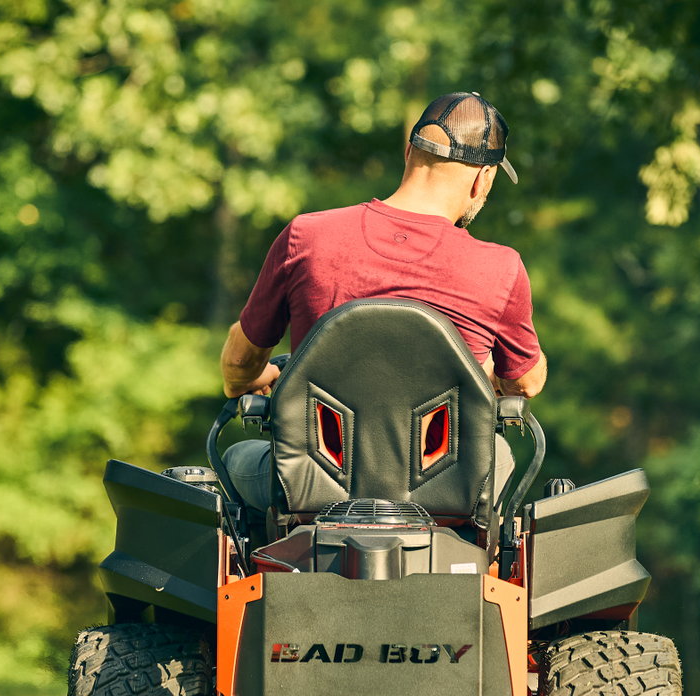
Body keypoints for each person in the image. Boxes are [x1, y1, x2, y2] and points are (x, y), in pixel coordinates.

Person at [218, 92, 546, 512]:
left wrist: (260, 375)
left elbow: (238, 365)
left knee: (235, 460)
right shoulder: (501, 268)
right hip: (443, 493)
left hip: (311, 488)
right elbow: (525, 383)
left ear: (408, 151)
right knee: (497, 455)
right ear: (483, 178)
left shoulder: (307, 236)